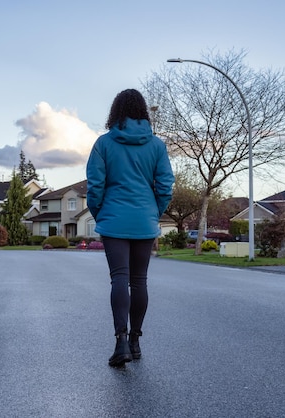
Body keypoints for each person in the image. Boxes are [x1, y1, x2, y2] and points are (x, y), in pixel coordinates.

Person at [86, 88, 175, 367]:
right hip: (144, 220)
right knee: (139, 281)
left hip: (113, 219)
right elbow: (165, 186)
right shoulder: (157, 146)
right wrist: (154, 212)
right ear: (144, 112)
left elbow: (95, 186)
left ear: (115, 112)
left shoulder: (103, 144)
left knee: (119, 279)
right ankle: (136, 342)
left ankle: (120, 341)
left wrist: (100, 213)